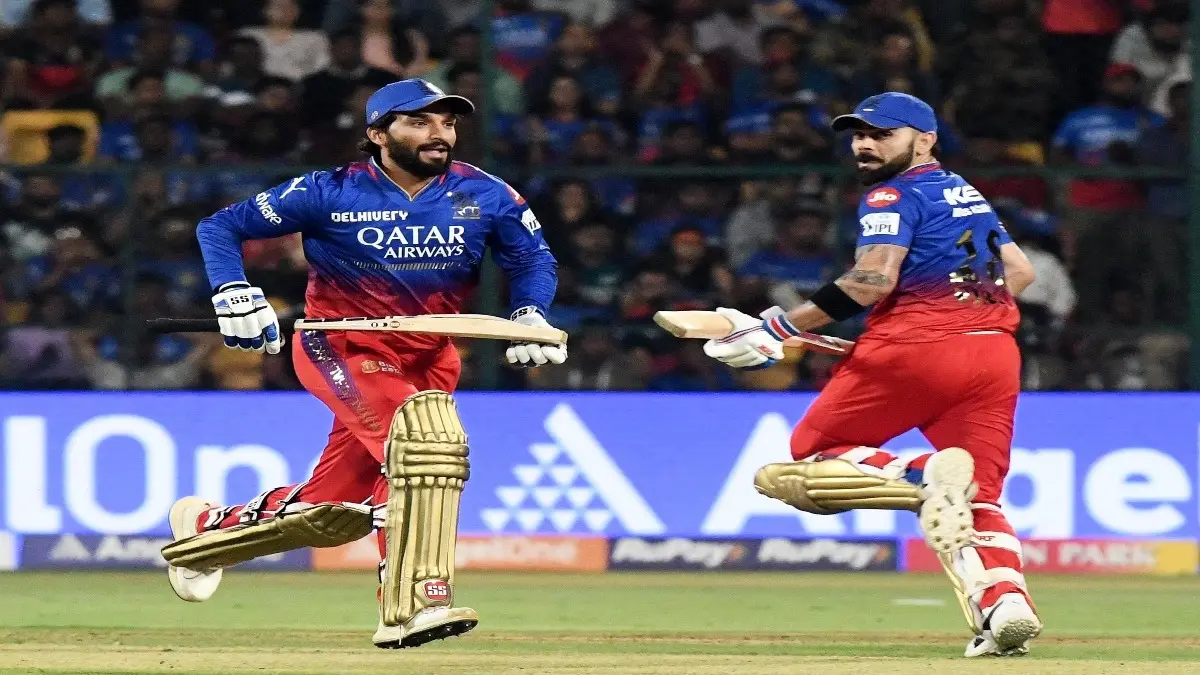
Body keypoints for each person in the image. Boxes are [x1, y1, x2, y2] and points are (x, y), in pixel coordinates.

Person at [164, 78, 565, 649]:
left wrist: (529, 313)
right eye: (420, 121)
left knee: (332, 506)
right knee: (422, 450)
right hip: (342, 347)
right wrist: (233, 291)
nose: (440, 133)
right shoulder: (329, 190)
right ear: (378, 134)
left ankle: (205, 531)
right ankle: (413, 603)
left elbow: (533, 259)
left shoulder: (488, 193)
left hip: (430, 356)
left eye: (448, 123)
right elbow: (221, 225)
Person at [701, 92, 1041, 658]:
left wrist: (781, 329)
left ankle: (924, 473)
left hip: (917, 352)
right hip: (992, 354)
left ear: (924, 140)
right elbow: (1020, 273)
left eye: (882, 134)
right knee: (979, 494)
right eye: (858, 133)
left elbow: (870, 281)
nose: (864, 143)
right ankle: (1004, 604)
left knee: (812, 452)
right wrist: (961, 319)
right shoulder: (964, 190)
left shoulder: (891, 193)